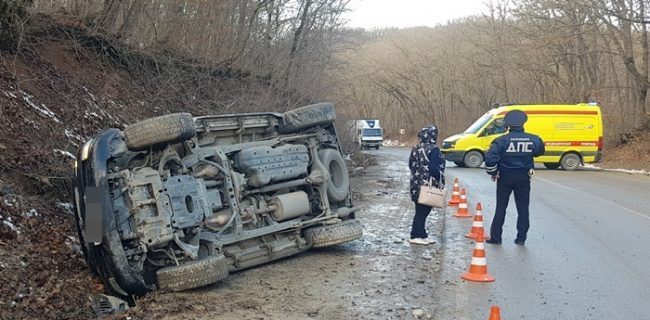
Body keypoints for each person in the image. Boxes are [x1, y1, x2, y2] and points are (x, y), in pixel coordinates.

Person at [484, 110, 545, 245]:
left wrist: (493, 172)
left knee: (501, 207)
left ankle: (496, 237)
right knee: (523, 208)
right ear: (523, 122)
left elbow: (490, 158)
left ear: (508, 124)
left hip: (504, 177)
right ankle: (521, 238)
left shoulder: (501, 140)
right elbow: (540, 151)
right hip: (523, 177)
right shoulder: (534, 139)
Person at [408, 126, 446, 245]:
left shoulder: (416, 148)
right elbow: (433, 168)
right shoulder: (434, 150)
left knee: (420, 209)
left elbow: (411, 164)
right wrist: (440, 179)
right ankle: (415, 235)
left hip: (415, 184)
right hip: (427, 185)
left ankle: (422, 234)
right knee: (423, 211)